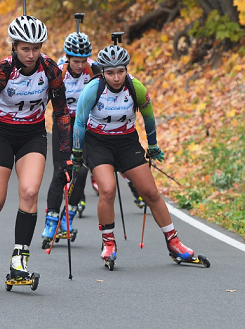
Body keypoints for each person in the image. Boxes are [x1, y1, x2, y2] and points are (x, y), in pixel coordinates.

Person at [0, 13, 72, 289]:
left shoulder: (51, 71)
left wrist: (66, 157)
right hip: (1, 134)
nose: (31, 54)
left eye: (36, 48)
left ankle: (19, 262)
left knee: (30, 192)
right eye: (25, 48)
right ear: (14, 47)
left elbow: (62, 113)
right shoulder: (2, 71)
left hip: (32, 135)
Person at [73, 42, 198, 270]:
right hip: (97, 143)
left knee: (150, 192)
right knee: (108, 189)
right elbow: (80, 122)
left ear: (126, 70)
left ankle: (174, 242)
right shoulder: (93, 89)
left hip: (126, 142)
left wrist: (153, 145)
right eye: (110, 73)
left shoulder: (135, 87)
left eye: (121, 71)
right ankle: (109, 242)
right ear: (103, 72)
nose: (116, 77)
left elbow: (148, 117)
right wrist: (77, 153)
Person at [40, 28, 99, 248]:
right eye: (75, 60)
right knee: (61, 171)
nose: (79, 65)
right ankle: (50, 220)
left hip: (84, 125)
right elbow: (44, 97)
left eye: (83, 60)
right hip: (63, 124)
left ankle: (68, 218)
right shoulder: (59, 70)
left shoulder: (93, 70)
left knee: (81, 171)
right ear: (68, 57)